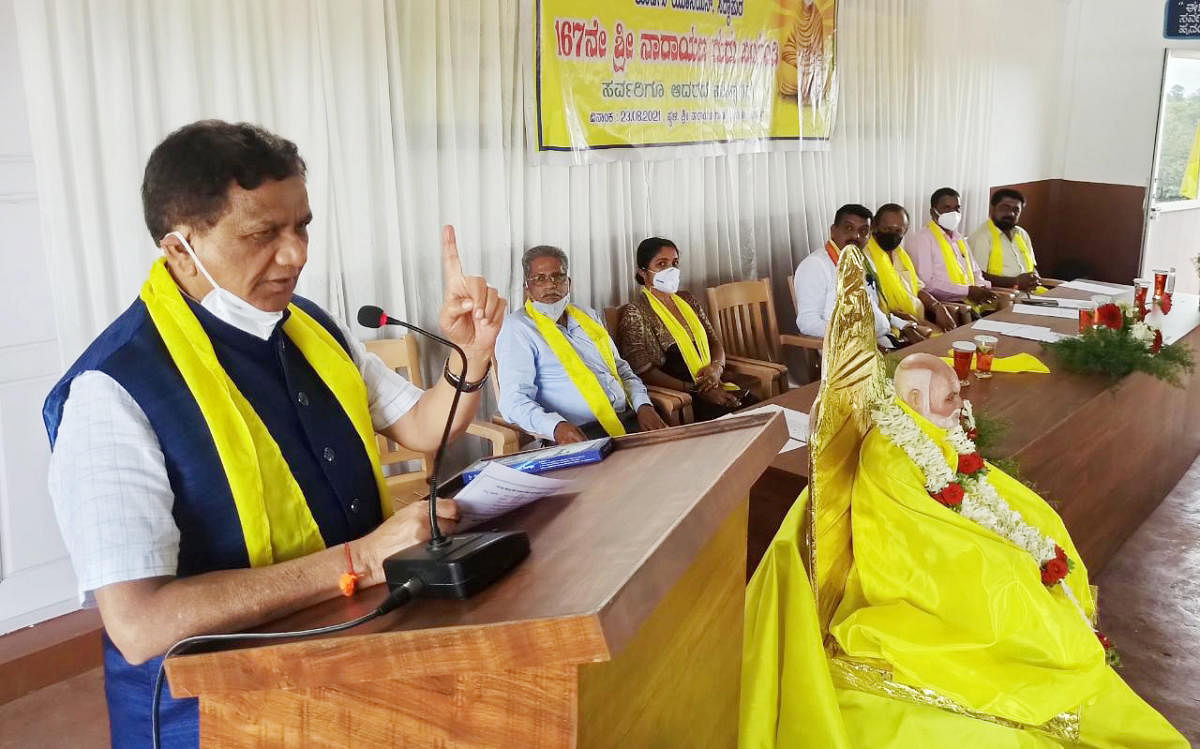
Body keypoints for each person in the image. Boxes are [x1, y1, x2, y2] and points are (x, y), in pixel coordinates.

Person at [41, 121, 507, 748]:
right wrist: (362, 559)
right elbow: (140, 623)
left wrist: (470, 357)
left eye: (302, 226)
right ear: (180, 249)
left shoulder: (307, 328)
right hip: (211, 716)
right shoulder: (112, 390)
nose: (296, 255)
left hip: (344, 663)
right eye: (263, 233)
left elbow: (423, 428)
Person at [740, 245, 1187, 748]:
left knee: (1035, 531)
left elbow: (963, 492)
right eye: (950, 397)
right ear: (911, 403)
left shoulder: (925, 431)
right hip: (908, 574)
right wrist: (997, 553)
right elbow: (911, 537)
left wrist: (1008, 530)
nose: (961, 404)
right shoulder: (893, 452)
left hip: (938, 533)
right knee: (1012, 580)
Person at [495, 245, 666, 443]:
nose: (550, 285)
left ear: (568, 283)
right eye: (540, 278)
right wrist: (556, 427)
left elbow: (621, 369)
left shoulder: (587, 315)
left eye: (557, 277)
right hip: (579, 433)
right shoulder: (517, 328)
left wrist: (643, 405)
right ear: (527, 288)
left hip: (627, 418)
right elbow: (513, 402)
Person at [615, 237, 756, 422]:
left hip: (716, 382)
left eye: (674, 263)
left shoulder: (687, 299)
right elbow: (644, 371)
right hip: (684, 396)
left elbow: (714, 342)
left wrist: (716, 369)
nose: (670, 270)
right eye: (661, 264)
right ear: (643, 273)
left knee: (760, 413)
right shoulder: (636, 312)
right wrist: (697, 390)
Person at [792, 204, 921, 346]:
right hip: (847, 352)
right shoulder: (815, 265)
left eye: (863, 231)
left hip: (883, 342)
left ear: (869, 235)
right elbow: (807, 322)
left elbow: (872, 310)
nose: (856, 236)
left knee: (936, 356)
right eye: (848, 228)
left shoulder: (863, 262)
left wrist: (904, 325)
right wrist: (855, 336)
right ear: (833, 231)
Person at [908, 187, 1013, 313]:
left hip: (971, 298)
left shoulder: (959, 238)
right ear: (933, 212)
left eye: (957, 208)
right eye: (946, 208)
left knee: (1009, 307)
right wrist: (967, 291)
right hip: (948, 304)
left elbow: (975, 271)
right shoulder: (922, 240)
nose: (953, 213)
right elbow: (927, 285)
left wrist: (980, 287)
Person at [865, 203, 960, 335]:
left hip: (916, 317)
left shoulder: (900, 254)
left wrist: (937, 306)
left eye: (898, 231)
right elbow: (869, 303)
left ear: (905, 231)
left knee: (952, 337)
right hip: (891, 324)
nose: (892, 234)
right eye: (887, 229)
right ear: (875, 226)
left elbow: (917, 287)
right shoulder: (865, 256)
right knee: (941, 340)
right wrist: (906, 321)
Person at [968, 188, 1059, 293]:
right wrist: (1015, 281)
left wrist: (1035, 279)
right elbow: (978, 276)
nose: (1010, 214)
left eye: (1016, 210)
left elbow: (1032, 268)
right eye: (1005, 208)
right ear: (992, 208)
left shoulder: (1022, 234)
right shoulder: (981, 237)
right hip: (1002, 296)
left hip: (1031, 292)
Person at [778, 0, 828, 105]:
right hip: (796, 59)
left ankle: (810, 90)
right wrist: (797, 61)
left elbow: (818, 47)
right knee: (785, 74)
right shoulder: (796, 14)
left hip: (811, 61)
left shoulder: (817, 16)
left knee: (825, 77)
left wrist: (810, 63)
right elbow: (790, 44)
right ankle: (804, 88)